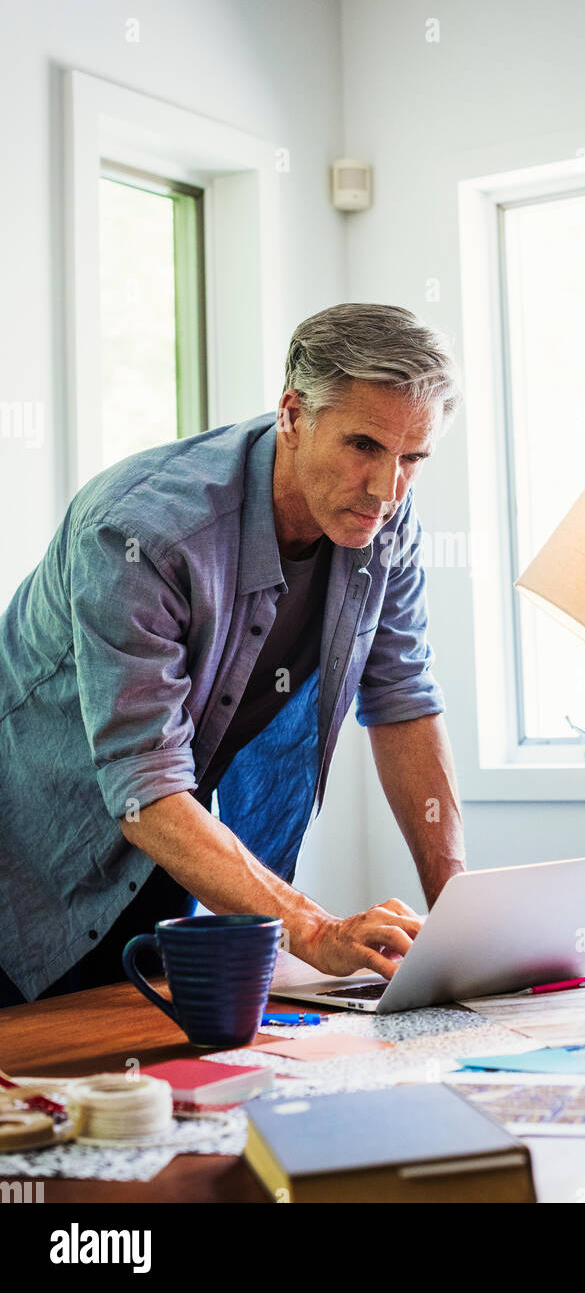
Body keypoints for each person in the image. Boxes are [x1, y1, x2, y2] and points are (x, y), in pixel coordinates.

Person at [0, 302, 467, 1006]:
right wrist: (314, 929)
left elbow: (403, 699)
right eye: (363, 446)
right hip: (33, 849)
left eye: (413, 458)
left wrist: (461, 920)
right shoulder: (140, 532)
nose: (386, 489)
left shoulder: (385, 523)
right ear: (293, 414)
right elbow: (145, 779)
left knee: (155, 1057)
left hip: (171, 842)